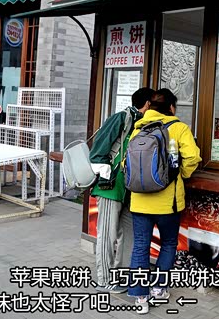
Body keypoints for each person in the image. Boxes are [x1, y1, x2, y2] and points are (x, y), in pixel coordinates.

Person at [128, 88, 201, 313]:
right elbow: (192, 157)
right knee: (168, 243)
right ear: (171, 107)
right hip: (168, 203)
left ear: (150, 107)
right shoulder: (178, 128)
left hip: (139, 201)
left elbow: (126, 163)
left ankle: (140, 298)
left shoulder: (138, 129)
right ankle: (159, 289)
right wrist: (182, 175)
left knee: (140, 246)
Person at [90, 87, 154, 293]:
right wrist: (106, 173)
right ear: (147, 104)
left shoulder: (145, 124)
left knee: (130, 235)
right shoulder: (122, 118)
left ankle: (122, 276)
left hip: (131, 190)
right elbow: (98, 150)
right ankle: (105, 279)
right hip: (111, 186)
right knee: (107, 235)